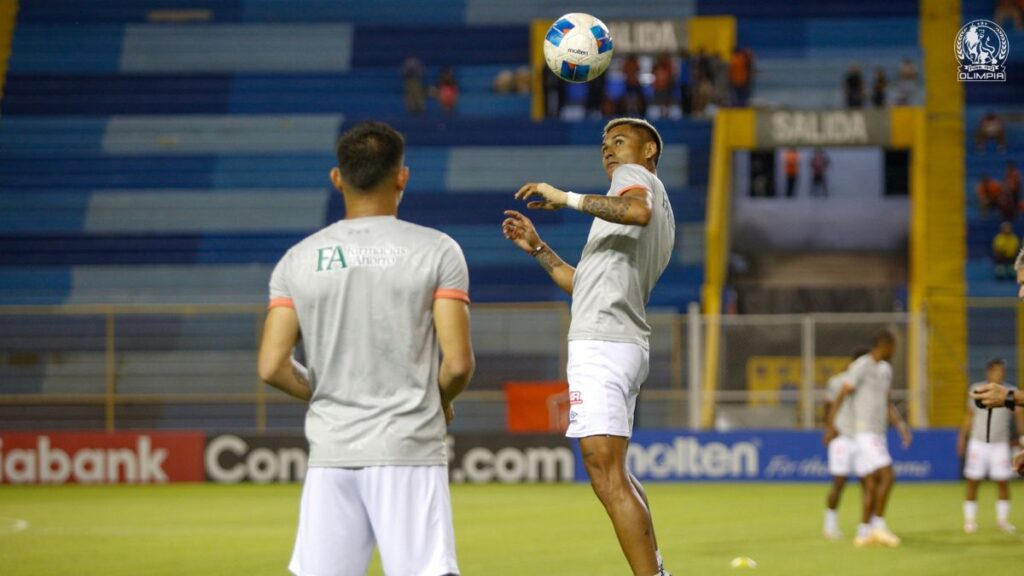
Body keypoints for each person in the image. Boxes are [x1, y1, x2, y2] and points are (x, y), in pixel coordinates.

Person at [258, 121, 474, 576]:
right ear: (402, 176)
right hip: (408, 450)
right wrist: (437, 400)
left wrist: (328, 394)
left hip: (332, 452)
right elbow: (457, 363)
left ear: (337, 178)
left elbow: (272, 365)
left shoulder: (297, 259)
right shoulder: (437, 251)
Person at [501, 117, 675, 576]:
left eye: (620, 141)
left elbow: (636, 211)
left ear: (649, 150)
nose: (609, 151)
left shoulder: (633, 181)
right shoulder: (643, 202)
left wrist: (565, 198)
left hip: (603, 344)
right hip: (620, 340)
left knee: (605, 473)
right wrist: (540, 249)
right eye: (605, 145)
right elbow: (584, 285)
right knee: (614, 471)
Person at [830, 330, 913, 547]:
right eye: (892, 347)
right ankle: (879, 526)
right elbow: (842, 395)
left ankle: (863, 532)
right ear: (883, 345)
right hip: (864, 431)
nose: (894, 352)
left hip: (879, 432)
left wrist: (901, 426)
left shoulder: (885, 369)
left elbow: (887, 402)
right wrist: (831, 424)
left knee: (871, 483)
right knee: (888, 475)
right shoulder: (861, 366)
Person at [958, 359, 1024, 534]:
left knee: (1003, 481)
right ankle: (970, 521)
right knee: (973, 481)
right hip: (978, 443)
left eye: (1002, 371)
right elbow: (969, 416)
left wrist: (1023, 438)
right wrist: (962, 438)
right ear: (989, 372)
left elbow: (1019, 418)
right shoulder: (977, 389)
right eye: (996, 371)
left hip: (1000, 444)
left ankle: (1003, 521)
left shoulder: (1012, 392)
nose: (1000, 374)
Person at [823, 348, 870, 541]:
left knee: (868, 484)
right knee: (839, 483)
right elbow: (827, 405)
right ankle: (830, 525)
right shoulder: (836, 381)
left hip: (862, 436)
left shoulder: (870, 383)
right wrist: (829, 427)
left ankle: (866, 528)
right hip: (842, 436)